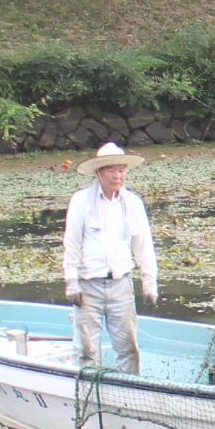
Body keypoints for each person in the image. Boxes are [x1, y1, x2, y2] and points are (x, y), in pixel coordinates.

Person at [63, 141, 159, 375]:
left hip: (121, 284)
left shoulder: (133, 203)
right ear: (99, 172)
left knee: (129, 348)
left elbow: (143, 245)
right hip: (88, 284)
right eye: (112, 170)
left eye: (122, 170)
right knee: (86, 351)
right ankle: (85, 391)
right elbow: (72, 242)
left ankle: (129, 390)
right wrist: (71, 281)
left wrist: (149, 283)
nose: (118, 176)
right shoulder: (81, 200)